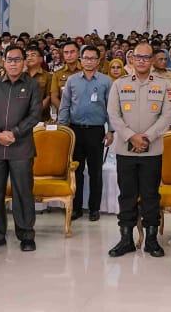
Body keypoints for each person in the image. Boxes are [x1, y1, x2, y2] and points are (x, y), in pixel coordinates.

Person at [106, 42, 171, 258]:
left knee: (150, 195)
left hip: (152, 150)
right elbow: (113, 115)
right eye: (139, 57)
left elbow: (167, 114)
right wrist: (131, 137)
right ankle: (126, 239)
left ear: (152, 60)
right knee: (127, 195)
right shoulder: (119, 84)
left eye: (147, 57)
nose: (143, 61)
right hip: (125, 150)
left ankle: (151, 241)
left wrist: (147, 138)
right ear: (132, 59)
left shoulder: (164, 84)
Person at [0, 44, 43, 252]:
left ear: (24, 62)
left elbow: (35, 115)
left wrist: (14, 133)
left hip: (21, 147)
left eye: (17, 60)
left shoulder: (33, 85)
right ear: (3, 62)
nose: (13, 64)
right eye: (9, 60)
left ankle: (26, 234)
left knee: (23, 191)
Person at [58, 45, 114, 222]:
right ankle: (76, 208)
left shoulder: (106, 81)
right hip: (75, 130)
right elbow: (65, 105)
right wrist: (62, 128)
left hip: (96, 131)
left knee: (96, 171)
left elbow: (111, 108)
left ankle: (94, 208)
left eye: (92, 58)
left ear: (98, 60)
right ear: (81, 60)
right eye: (86, 58)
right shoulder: (72, 80)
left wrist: (111, 130)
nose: (89, 61)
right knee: (76, 170)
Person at [49, 40, 82, 110]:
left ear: (78, 53)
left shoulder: (86, 71)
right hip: (64, 112)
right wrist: (64, 111)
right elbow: (54, 97)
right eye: (66, 52)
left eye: (72, 52)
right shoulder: (57, 74)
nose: (69, 55)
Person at [23, 45, 53, 121]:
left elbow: (48, 97)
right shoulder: (20, 75)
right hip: (21, 118)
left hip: (41, 118)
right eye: (27, 56)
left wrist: (33, 113)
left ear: (41, 59)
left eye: (33, 55)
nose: (29, 58)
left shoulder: (48, 76)